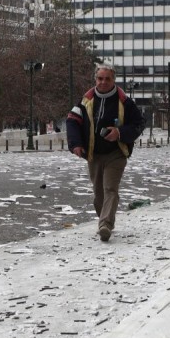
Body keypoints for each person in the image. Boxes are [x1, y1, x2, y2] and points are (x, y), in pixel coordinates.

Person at [67, 64, 144, 242]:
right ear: (95, 79)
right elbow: (72, 120)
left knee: (110, 188)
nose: (103, 82)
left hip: (116, 153)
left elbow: (139, 123)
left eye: (107, 79)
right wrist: (76, 144)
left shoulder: (124, 101)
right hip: (93, 154)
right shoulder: (86, 100)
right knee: (98, 194)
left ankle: (105, 225)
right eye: (100, 78)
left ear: (113, 80)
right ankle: (106, 219)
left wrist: (120, 133)